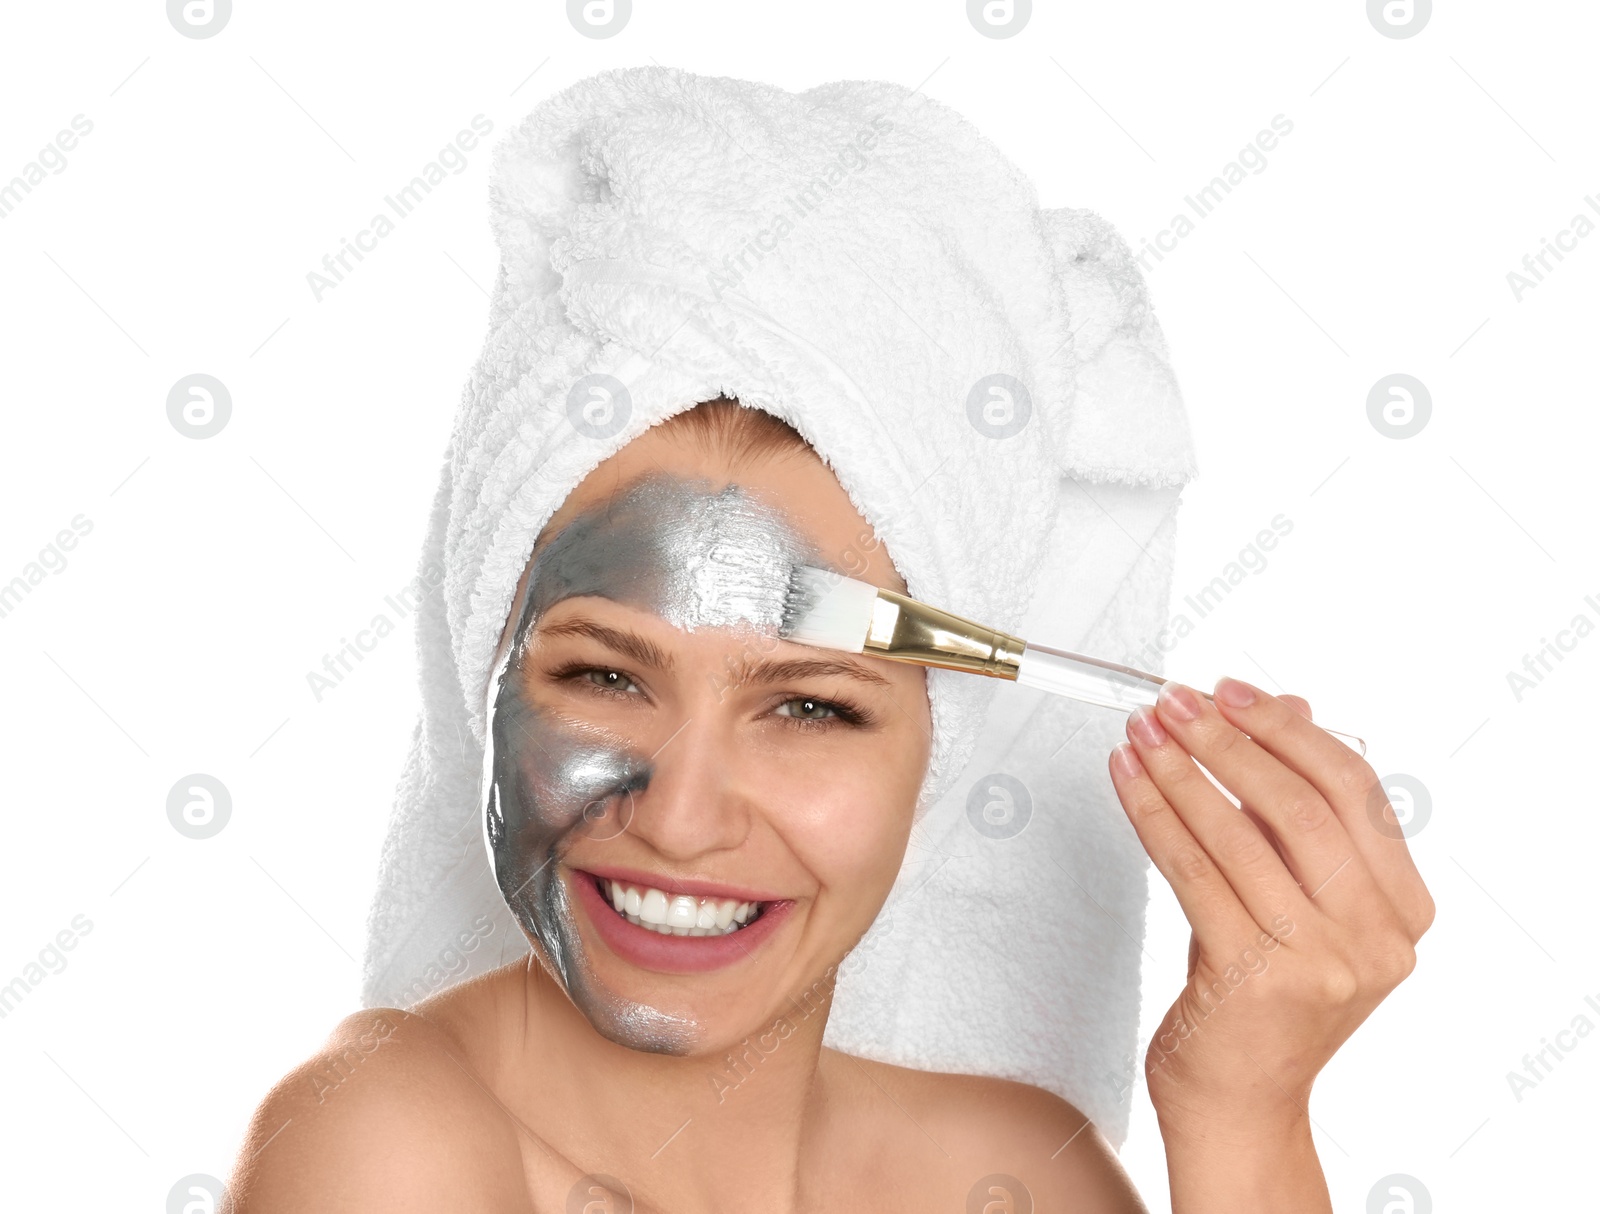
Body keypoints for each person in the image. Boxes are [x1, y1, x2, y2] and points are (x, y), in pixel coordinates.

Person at [226, 397, 1434, 1212]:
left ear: (932, 754)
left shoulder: (1012, 1169)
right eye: (602, 674)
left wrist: (1243, 1109)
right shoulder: (380, 1142)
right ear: (482, 691)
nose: (684, 816)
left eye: (808, 706)